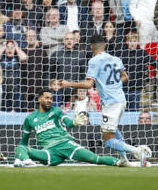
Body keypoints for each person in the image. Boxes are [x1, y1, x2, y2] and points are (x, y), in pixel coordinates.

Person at [60, 35, 152, 167]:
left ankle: (137, 151)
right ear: (104, 45)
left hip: (111, 103)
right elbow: (125, 77)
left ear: (91, 47)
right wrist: (114, 86)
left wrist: (68, 83)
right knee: (113, 131)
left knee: (108, 140)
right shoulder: (116, 59)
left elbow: (88, 84)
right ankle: (124, 160)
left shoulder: (94, 61)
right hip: (120, 99)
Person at [14, 88, 139, 167]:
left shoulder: (56, 111)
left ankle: (120, 162)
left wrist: (74, 122)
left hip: (66, 145)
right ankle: (25, 162)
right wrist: (21, 153)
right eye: (46, 98)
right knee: (20, 148)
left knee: (96, 159)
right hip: (50, 152)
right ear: (39, 99)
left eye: (51, 98)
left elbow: (68, 123)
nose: (49, 100)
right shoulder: (30, 119)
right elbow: (24, 142)